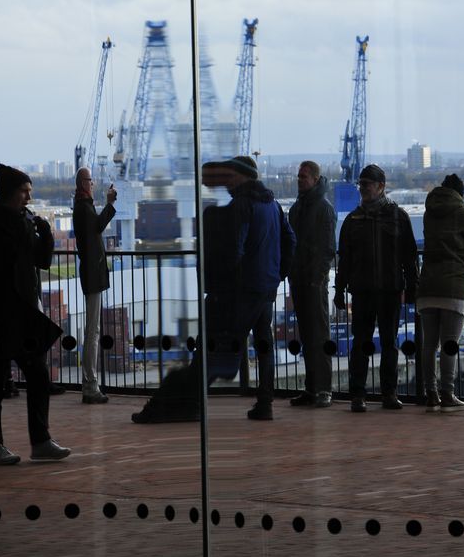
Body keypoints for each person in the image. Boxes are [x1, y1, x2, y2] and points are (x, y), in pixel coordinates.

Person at [131, 156, 294, 423]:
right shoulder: (273, 204)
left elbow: (235, 251)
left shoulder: (242, 205)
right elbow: (290, 241)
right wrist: (276, 275)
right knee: (264, 347)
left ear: (242, 177)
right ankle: (265, 404)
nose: (225, 182)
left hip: (241, 293)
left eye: (230, 176)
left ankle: (181, 403)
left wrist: (224, 286)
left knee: (212, 348)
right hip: (265, 289)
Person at [0, 164, 71, 464]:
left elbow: (42, 261)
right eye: (25, 192)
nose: (29, 198)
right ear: (11, 193)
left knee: (33, 374)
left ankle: (36, 441)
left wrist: (45, 232)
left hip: (22, 314)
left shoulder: (22, 223)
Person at [334, 164, 419, 412]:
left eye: (367, 184)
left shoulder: (398, 216)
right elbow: (345, 260)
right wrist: (339, 291)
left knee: (390, 343)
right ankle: (358, 395)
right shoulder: (352, 220)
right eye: (361, 184)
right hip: (361, 291)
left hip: (390, 291)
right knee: (360, 342)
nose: (362, 189)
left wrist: (412, 286)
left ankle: (388, 393)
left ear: (381, 187)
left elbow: (409, 256)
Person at [417, 174, 464, 413]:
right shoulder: (460, 213)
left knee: (428, 345)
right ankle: (447, 393)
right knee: (449, 344)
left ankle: (430, 393)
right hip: (454, 286)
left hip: (427, 285)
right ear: (460, 193)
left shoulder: (428, 212)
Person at [288, 161, 337, 408]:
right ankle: (311, 388)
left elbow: (328, 248)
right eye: (298, 176)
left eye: (304, 177)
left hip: (314, 282)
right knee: (308, 336)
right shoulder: (298, 207)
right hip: (299, 280)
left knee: (319, 335)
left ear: (316, 180)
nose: (300, 180)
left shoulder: (323, 208)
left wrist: (317, 279)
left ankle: (324, 389)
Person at [73, 167, 117, 403]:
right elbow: (97, 227)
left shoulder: (82, 205)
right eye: (90, 180)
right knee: (93, 331)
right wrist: (109, 204)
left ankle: (90, 384)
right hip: (93, 274)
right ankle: (90, 386)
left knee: (93, 330)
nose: (93, 184)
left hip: (91, 273)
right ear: (83, 182)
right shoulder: (83, 207)